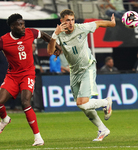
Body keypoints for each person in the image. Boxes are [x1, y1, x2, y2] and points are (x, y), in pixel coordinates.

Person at [0, 13, 59, 146]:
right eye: (19, 25)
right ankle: (4, 119)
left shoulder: (30, 32)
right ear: (12, 27)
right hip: (12, 76)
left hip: (28, 74)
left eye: (23, 24)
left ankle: (38, 137)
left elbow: (44, 35)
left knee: (26, 102)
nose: (22, 27)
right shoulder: (2, 41)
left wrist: (55, 45)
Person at [47, 9, 115, 141]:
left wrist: (111, 24)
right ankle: (102, 129)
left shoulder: (81, 28)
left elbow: (98, 23)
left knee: (82, 103)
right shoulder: (59, 35)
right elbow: (50, 51)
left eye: (72, 20)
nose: (71, 23)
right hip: (74, 72)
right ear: (62, 21)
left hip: (87, 67)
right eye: (68, 20)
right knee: (84, 107)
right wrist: (55, 34)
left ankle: (105, 102)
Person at [32, 42, 44, 112]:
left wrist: (40, 68)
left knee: (39, 90)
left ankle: (40, 105)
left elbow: (37, 65)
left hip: (38, 75)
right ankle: (36, 106)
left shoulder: (35, 56)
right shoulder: (28, 55)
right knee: (35, 91)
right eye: (33, 47)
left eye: (35, 47)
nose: (34, 48)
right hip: (32, 75)